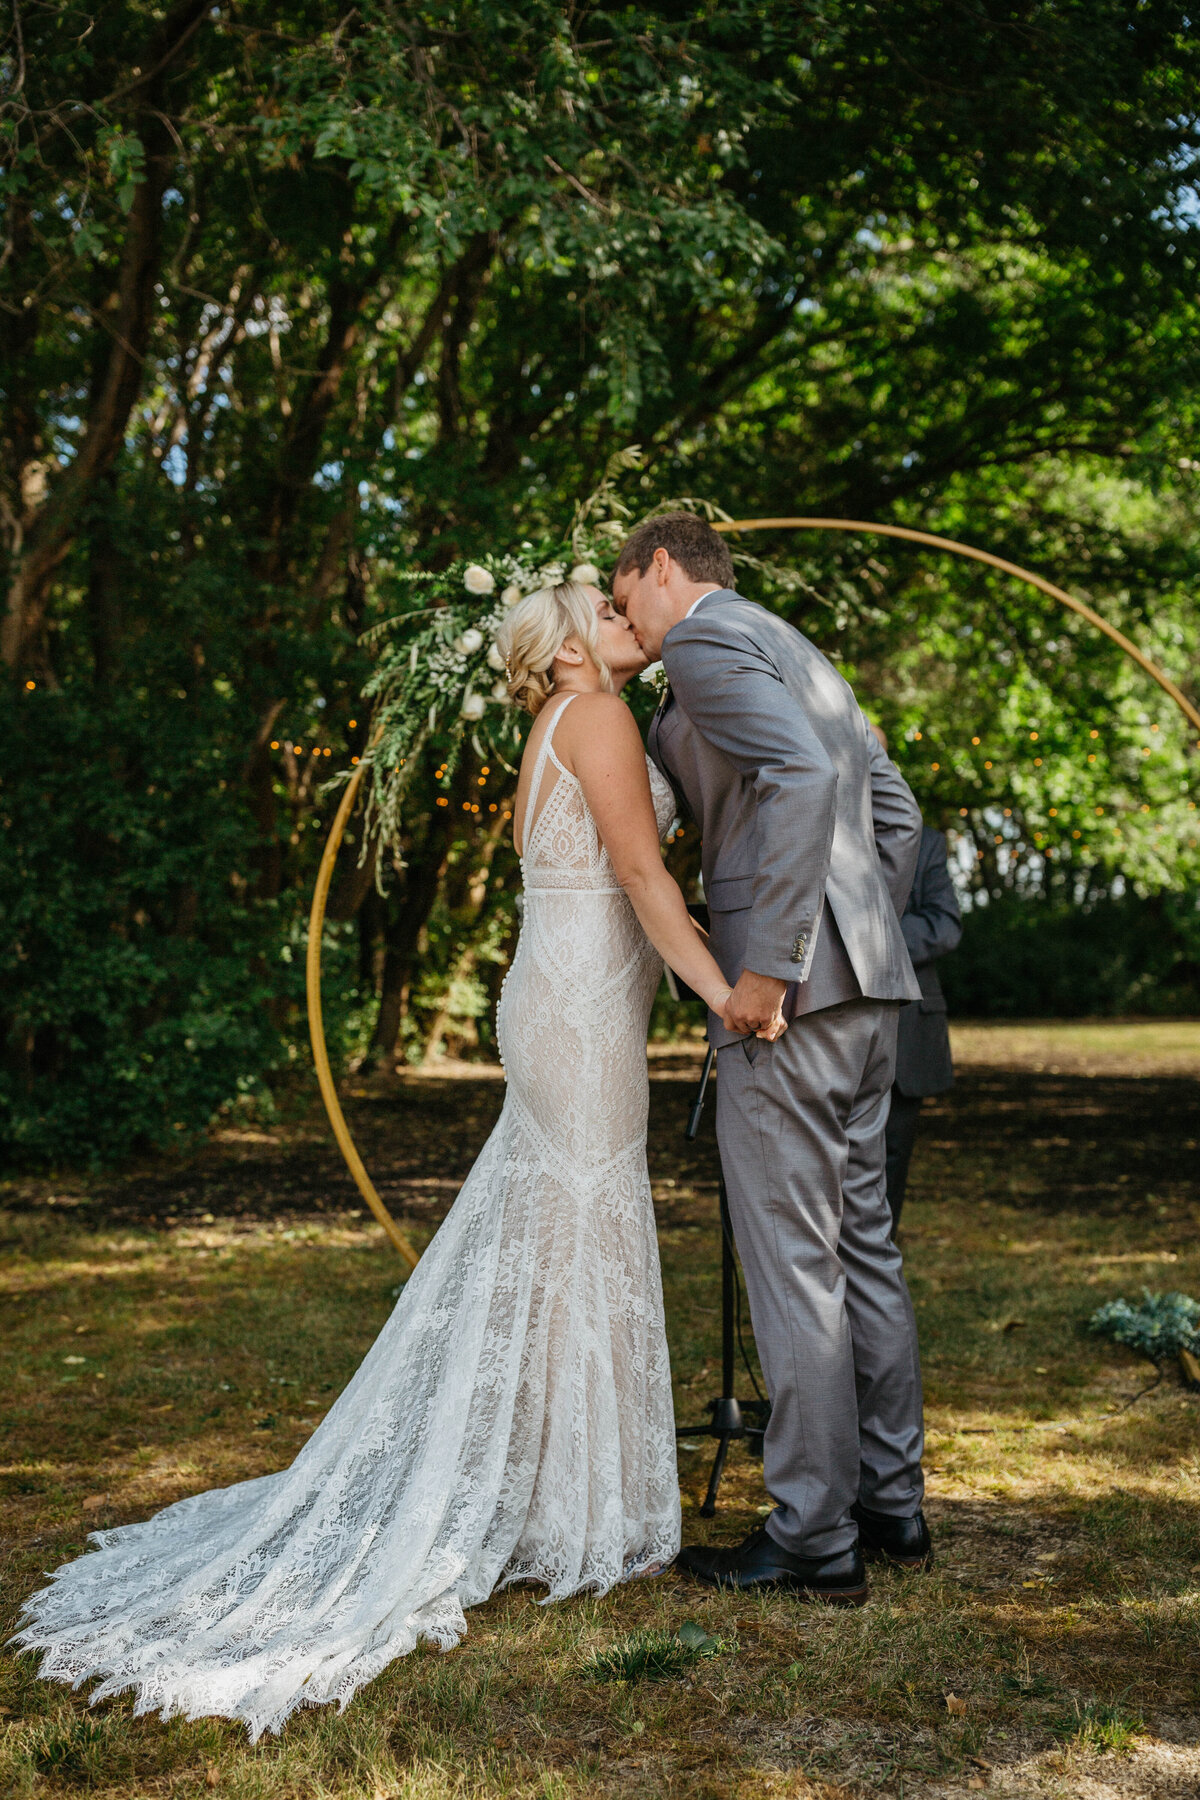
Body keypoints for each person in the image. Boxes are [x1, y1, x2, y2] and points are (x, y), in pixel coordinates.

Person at [14, 581, 771, 1741]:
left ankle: (551, 1491)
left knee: (562, 1234)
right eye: (604, 615)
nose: (627, 622)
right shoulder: (601, 719)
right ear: (569, 652)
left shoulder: (559, 725)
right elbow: (639, 876)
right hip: (577, 1009)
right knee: (575, 1227)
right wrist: (724, 993)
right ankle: (565, 1505)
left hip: (569, 997)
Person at [613, 513, 933, 1605]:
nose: (626, 625)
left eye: (623, 599)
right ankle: (893, 1505)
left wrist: (777, 964)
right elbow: (895, 814)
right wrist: (861, 939)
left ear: (663, 566)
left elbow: (796, 776)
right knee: (864, 1250)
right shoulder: (798, 645)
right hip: (875, 994)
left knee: (796, 1264)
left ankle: (812, 1537)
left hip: (784, 1005)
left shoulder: (703, 640)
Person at [870, 728, 963, 1235]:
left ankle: (876, 1288)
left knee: (890, 1166)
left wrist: (865, 927)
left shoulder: (926, 842)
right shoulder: (817, 828)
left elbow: (945, 926)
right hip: (830, 1030)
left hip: (908, 1034)